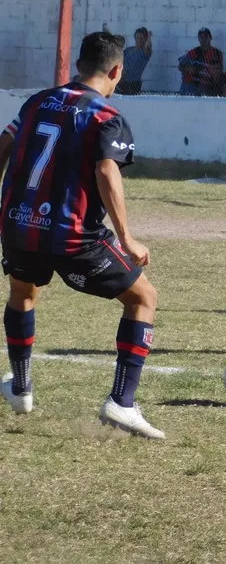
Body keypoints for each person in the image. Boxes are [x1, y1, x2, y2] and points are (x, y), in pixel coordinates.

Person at [0, 32, 162, 438]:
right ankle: (122, 404)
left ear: (78, 64)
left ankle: (20, 389)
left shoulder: (36, 102)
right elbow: (107, 170)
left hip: (19, 225)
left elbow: (4, 145)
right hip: (72, 236)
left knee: (22, 293)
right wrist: (127, 238)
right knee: (144, 298)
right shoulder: (107, 116)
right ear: (117, 70)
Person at [178, 28, 223, 96]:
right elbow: (180, 66)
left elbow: (218, 71)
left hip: (206, 85)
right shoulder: (193, 52)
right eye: (201, 37)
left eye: (206, 37)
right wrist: (189, 68)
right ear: (199, 39)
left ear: (210, 38)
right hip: (190, 83)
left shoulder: (217, 53)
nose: (203, 39)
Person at [117, 27, 152, 95]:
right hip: (121, 82)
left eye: (141, 38)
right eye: (137, 38)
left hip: (133, 84)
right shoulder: (128, 50)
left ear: (145, 39)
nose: (139, 40)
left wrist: (149, 37)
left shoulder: (144, 53)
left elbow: (148, 48)